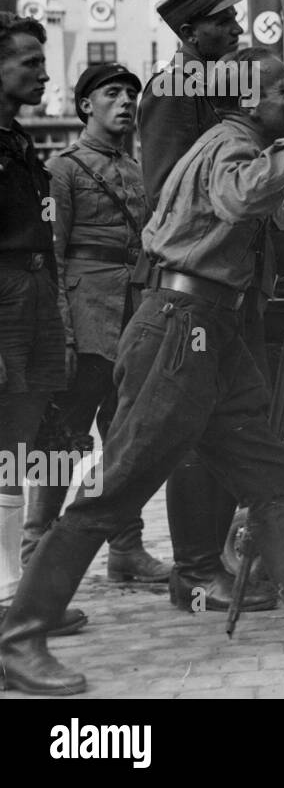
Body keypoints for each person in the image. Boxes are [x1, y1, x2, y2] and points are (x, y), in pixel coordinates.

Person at [0, 51, 284, 695]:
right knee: (115, 489)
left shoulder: (241, 141)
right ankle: (19, 638)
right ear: (247, 98)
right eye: (283, 93)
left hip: (211, 326)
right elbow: (238, 196)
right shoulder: (229, 143)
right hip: (180, 324)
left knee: (268, 478)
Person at [142, 0, 279, 614]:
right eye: (221, 23)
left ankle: (211, 559)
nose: (233, 31)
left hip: (233, 280)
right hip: (197, 279)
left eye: (233, 20)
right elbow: (169, 186)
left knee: (232, 421)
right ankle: (195, 570)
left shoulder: (217, 86)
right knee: (195, 426)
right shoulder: (175, 90)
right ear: (189, 31)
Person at [23, 64, 171, 585]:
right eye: (113, 93)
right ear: (86, 105)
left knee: (126, 438)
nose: (126, 102)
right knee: (61, 437)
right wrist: (60, 332)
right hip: (86, 319)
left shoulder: (137, 170)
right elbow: (52, 252)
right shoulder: (62, 170)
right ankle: (35, 553)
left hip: (132, 314)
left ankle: (126, 550)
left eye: (132, 94)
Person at [0, 13, 87, 638]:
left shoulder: (21, 144)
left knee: (16, 451)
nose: (42, 72)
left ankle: (15, 598)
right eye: (28, 61)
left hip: (32, 295)